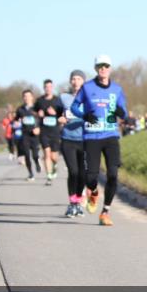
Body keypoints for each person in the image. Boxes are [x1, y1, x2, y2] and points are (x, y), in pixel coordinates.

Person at [69, 54, 127, 226]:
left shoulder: (116, 89)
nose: (103, 69)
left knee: (112, 175)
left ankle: (105, 212)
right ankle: (93, 191)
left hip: (110, 136)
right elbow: (74, 107)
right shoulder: (87, 88)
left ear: (110, 68)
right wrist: (84, 115)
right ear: (96, 69)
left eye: (106, 66)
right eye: (100, 66)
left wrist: (120, 113)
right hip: (92, 136)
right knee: (91, 177)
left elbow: (124, 112)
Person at [59, 70, 86, 217]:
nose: (76, 81)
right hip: (68, 139)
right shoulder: (64, 98)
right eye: (73, 79)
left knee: (82, 175)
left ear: (83, 81)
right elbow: (55, 114)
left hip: (84, 140)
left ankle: (78, 203)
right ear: (70, 82)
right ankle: (72, 204)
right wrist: (59, 119)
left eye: (79, 78)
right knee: (73, 172)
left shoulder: (88, 98)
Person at [35, 79, 65, 185]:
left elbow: (63, 115)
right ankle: (48, 176)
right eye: (46, 87)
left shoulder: (58, 100)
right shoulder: (39, 101)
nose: (48, 88)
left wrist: (55, 113)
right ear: (44, 88)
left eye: (50, 87)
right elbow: (34, 113)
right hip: (44, 132)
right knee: (46, 154)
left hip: (55, 132)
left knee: (54, 156)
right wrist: (39, 114)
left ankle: (55, 165)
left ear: (52, 88)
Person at [15, 90, 42, 181]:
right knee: (26, 154)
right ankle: (30, 173)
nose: (26, 98)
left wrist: (38, 128)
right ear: (23, 98)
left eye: (28, 96)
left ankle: (37, 162)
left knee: (34, 154)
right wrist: (17, 123)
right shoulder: (20, 109)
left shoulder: (36, 108)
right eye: (25, 96)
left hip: (34, 135)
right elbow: (16, 120)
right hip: (25, 134)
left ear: (32, 97)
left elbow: (41, 119)